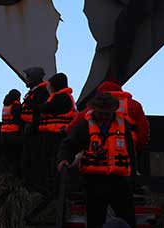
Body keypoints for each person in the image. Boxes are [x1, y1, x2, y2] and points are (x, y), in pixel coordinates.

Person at [57, 93, 136, 228]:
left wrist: (133, 177)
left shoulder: (123, 126)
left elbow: (131, 153)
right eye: (101, 113)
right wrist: (64, 160)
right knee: (95, 220)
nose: (104, 116)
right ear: (95, 110)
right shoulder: (84, 126)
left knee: (127, 220)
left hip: (119, 181)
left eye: (107, 113)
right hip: (94, 182)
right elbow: (68, 145)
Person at [70, 78, 150, 172]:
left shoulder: (97, 107)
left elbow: (75, 123)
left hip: (98, 158)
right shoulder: (134, 105)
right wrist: (138, 149)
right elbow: (143, 130)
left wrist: (66, 130)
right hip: (127, 151)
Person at [37, 73, 76, 190]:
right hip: (56, 134)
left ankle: (55, 190)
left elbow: (44, 108)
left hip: (56, 135)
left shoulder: (61, 98)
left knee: (53, 162)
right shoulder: (62, 97)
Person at [20, 66, 51, 193]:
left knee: (33, 160)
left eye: (28, 77)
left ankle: (34, 189)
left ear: (33, 78)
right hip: (29, 130)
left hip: (34, 132)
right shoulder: (36, 92)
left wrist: (33, 126)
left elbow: (38, 112)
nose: (26, 79)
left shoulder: (41, 92)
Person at [0, 89, 23, 175]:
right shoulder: (16, 106)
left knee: (6, 156)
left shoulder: (5, 106)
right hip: (13, 133)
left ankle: (5, 174)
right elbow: (19, 119)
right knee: (15, 157)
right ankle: (14, 175)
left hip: (3, 133)